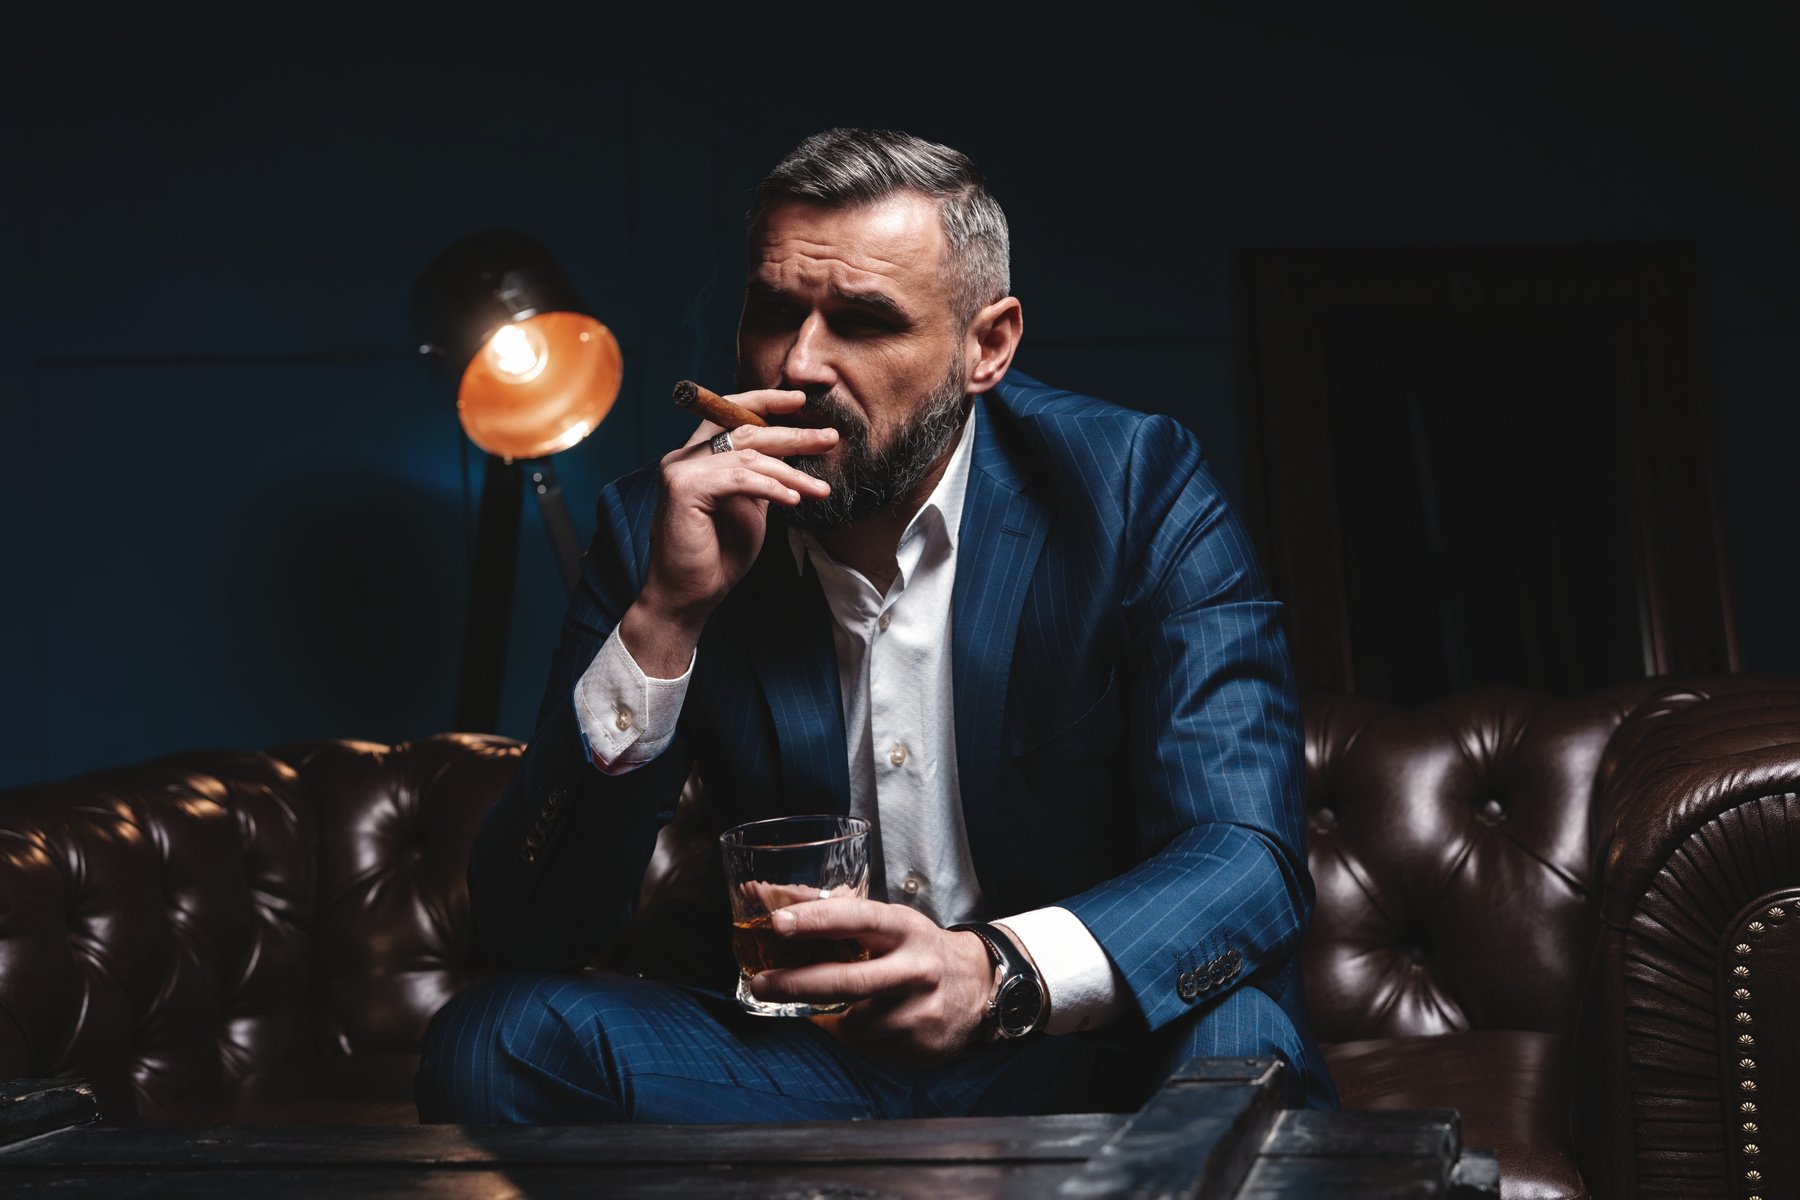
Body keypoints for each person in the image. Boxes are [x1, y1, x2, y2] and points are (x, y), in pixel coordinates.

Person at [416, 128, 1336, 1122]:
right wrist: (664, 619)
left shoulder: (1136, 487)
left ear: (987, 346)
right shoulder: (657, 526)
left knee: (1244, 1046)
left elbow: (1247, 857)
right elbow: (531, 931)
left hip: (1075, 1049)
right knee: (495, 1044)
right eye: (775, 312)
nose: (801, 362)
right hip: (808, 1069)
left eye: (862, 321)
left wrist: (996, 974)